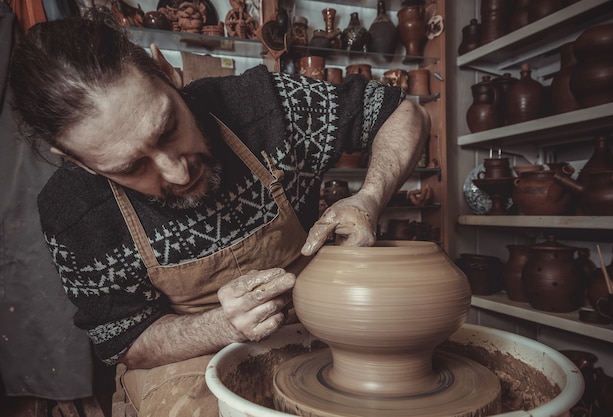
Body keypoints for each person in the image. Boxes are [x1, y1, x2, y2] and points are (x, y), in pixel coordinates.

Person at [8, 9, 430, 417]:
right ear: (81, 162)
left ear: (166, 73)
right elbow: (126, 342)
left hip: (319, 324)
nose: (178, 170)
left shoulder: (266, 106)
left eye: (168, 128)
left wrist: (368, 198)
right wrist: (222, 326)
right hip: (189, 357)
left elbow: (399, 111)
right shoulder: (73, 212)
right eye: (131, 167)